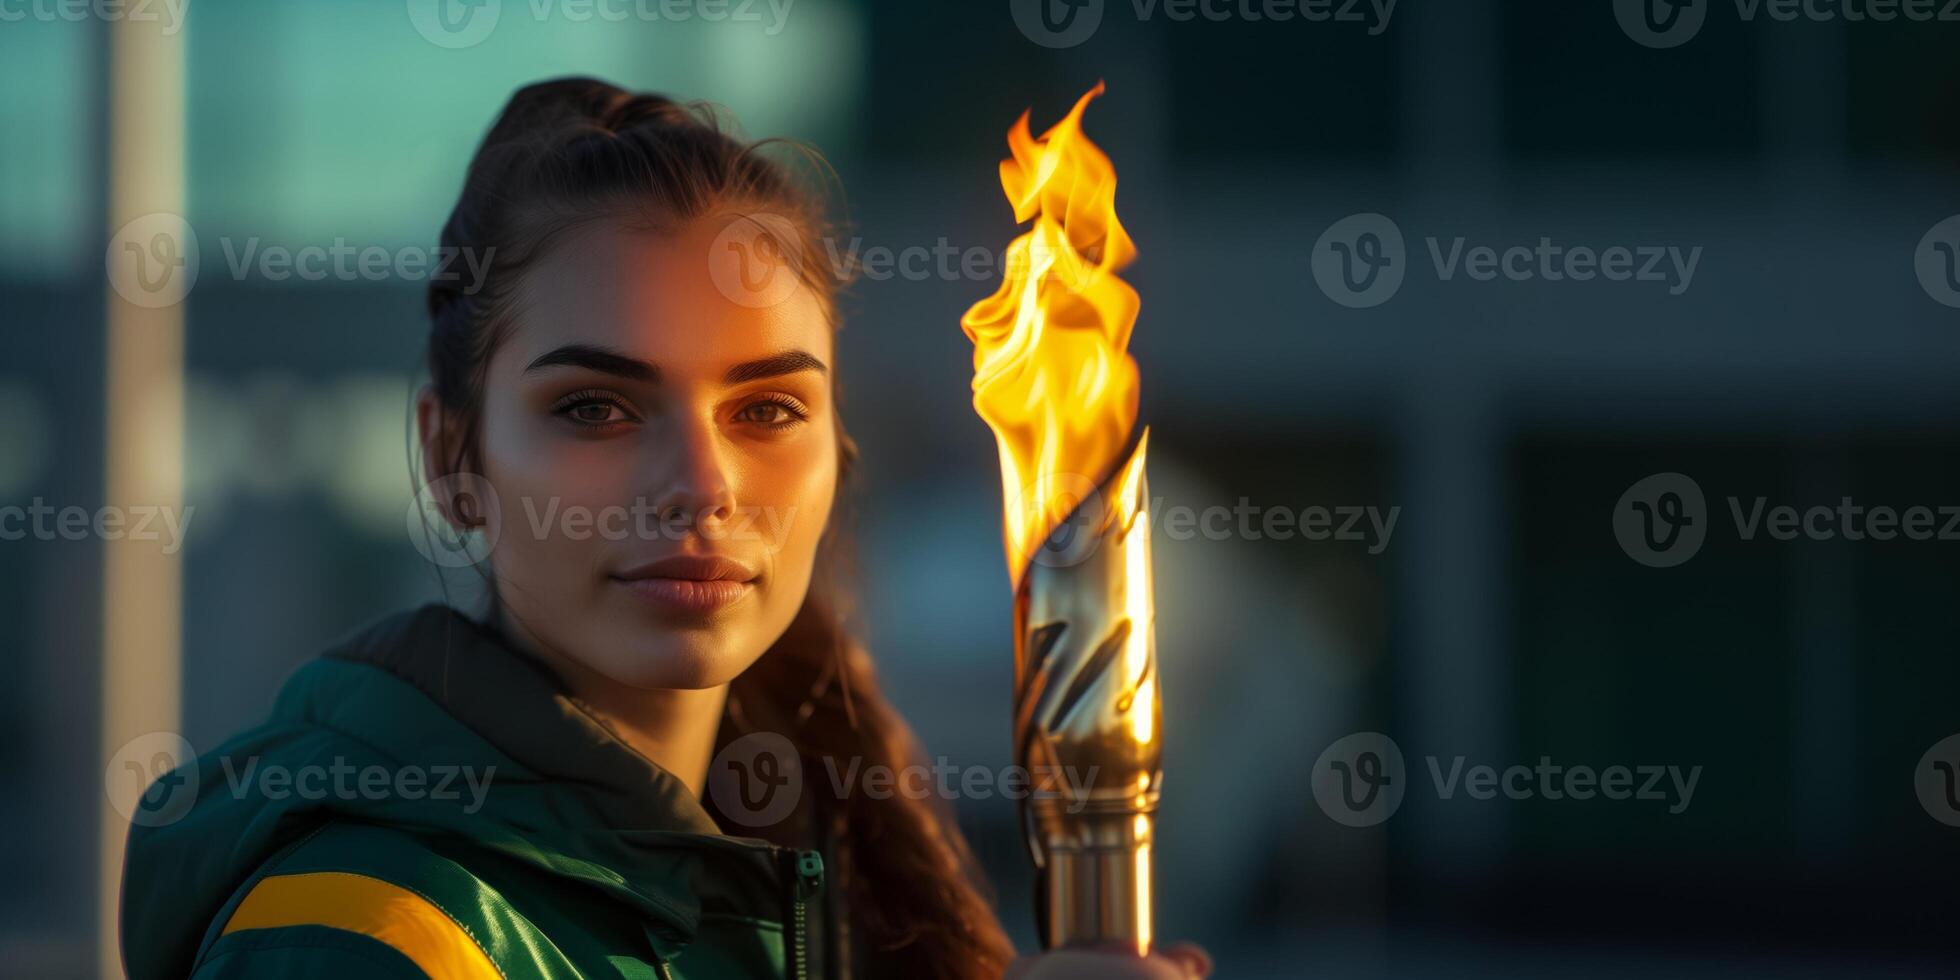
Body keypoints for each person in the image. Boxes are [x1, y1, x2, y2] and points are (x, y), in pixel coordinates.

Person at [119, 76, 1208, 979]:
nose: (699, 482)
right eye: (595, 407)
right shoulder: (365, 931)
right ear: (452, 457)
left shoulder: (802, 899)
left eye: (768, 409)